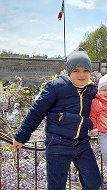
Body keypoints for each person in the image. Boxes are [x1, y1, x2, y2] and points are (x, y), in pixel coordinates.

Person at [13, 47, 101, 190]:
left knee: (94, 181)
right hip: (58, 144)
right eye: (76, 71)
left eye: (86, 70)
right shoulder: (56, 86)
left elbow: (105, 108)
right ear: (69, 72)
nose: (81, 75)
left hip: (82, 143)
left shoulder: (92, 90)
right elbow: (37, 112)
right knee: (57, 186)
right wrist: (21, 136)